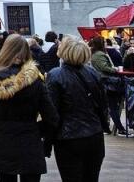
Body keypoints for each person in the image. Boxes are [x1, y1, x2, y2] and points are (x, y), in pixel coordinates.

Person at [0, 34, 59, 182]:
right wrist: (38, 129)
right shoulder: (35, 79)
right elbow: (51, 116)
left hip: (3, 139)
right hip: (30, 139)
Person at [47, 36, 109, 181]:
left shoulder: (55, 75)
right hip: (94, 134)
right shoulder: (93, 73)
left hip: (68, 137)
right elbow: (103, 104)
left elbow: (52, 112)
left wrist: (47, 141)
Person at [89, 36, 126, 135]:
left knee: (108, 106)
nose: (106, 43)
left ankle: (107, 128)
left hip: (102, 82)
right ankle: (120, 129)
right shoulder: (100, 54)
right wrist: (116, 69)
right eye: (104, 41)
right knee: (113, 106)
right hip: (107, 82)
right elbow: (105, 67)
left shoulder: (95, 54)